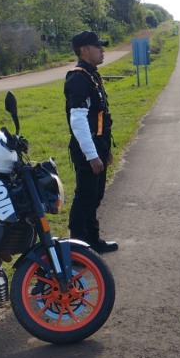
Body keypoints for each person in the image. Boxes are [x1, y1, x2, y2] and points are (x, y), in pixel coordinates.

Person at [64, 30, 118, 253]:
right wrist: (92, 155)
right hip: (88, 150)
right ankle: (78, 247)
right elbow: (77, 120)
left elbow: (98, 116)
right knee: (85, 197)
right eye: (98, 47)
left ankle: (92, 240)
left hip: (99, 147)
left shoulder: (91, 75)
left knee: (95, 196)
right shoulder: (78, 78)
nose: (103, 50)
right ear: (84, 50)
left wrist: (105, 151)